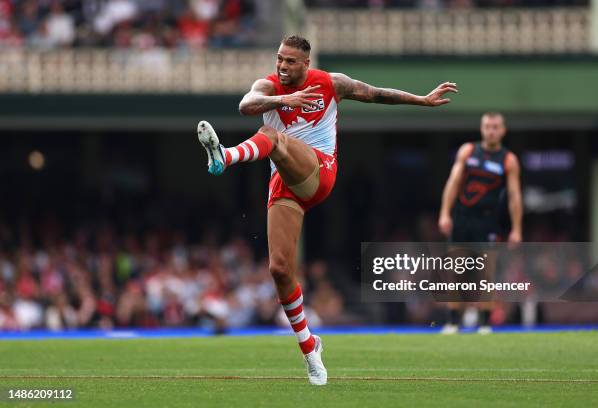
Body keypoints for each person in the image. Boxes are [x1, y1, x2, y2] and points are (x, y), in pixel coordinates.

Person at [197, 35, 458, 385]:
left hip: (320, 172)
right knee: (279, 269)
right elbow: (247, 103)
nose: (282, 66)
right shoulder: (269, 85)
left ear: (306, 63)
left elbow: (376, 93)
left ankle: (225, 157)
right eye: (279, 59)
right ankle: (310, 349)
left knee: (271, 137)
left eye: (290, 61)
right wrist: (283, 98)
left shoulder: (330, 83)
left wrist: (422, 101)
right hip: (285, 184)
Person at [438, 111, 522, 334]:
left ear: (502, 130)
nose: (491, 130)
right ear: (482, 129)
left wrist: (517, 228)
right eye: (487, 126)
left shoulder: (508, 159)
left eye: (495, 127)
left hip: (488, 221)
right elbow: (453, 182)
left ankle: (485, 323)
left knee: (486, 272)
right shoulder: (468, 151)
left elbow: (514, 196)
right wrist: (445, 213)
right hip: (462, 218)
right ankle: (453, 321)